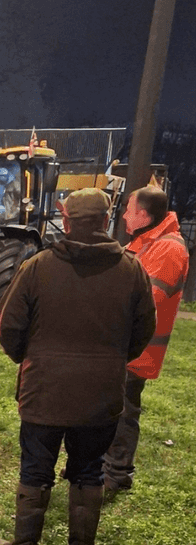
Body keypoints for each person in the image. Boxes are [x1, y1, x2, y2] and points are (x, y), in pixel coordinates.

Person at [0, 188, 155, 545]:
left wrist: (30, 360)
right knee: (89, 468)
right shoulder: (132, 270)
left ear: (65, 222)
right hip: (100, 396)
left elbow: (9, 327)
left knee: (36, 467)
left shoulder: (37, 267)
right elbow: (143, 329)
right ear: (105, 221)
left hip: (43, 391)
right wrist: (112, 361)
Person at [103, 185, 190, 493]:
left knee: (123, 411)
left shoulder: (168, 248)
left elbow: (142, 302)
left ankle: (117, 473)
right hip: (122, 347)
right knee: (109, 408)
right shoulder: (146, 242)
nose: (124, 214)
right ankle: (104, 467)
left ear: (143, 214)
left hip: (136, 350)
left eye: (128, 209)